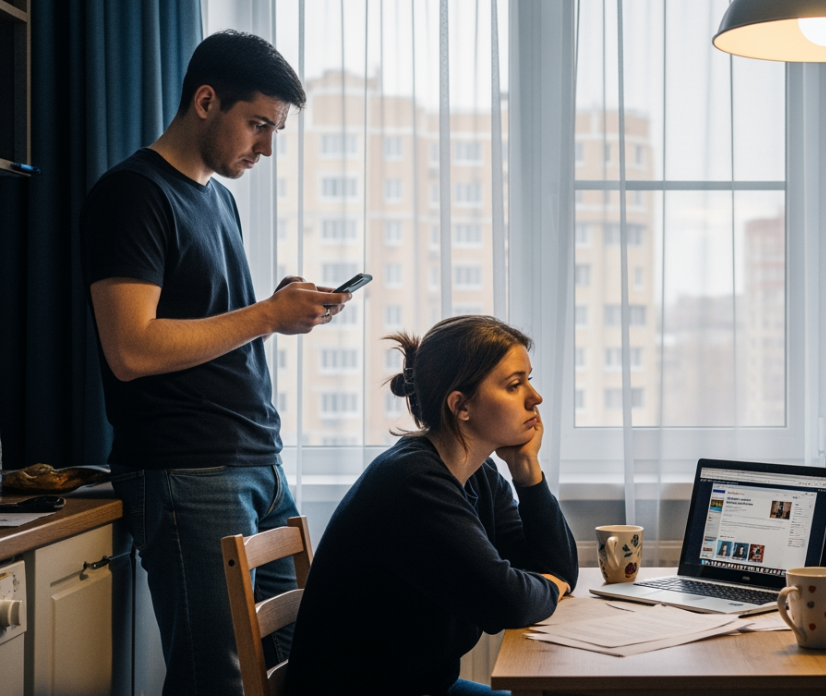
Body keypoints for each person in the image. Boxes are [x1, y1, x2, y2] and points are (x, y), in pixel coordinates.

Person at [81, 31, 346, 696]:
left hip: (258, 461)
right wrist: (268, 315)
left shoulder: (218, 199)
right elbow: (131, 349)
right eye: (258, 125)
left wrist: (277, 308)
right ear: (206, 101)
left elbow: (205, 326)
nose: (266, 148)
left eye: (275, 130)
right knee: (215, 680)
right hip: (188, 470)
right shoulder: (132, 194)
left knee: (303, 663)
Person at [288, 315, 579, 696]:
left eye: (529, 379)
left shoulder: (477, 472)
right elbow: (506, 602)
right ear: (461, 406)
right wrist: (551, 587)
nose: (535, 397)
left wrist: (528, 472)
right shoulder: (414, 483)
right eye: (514, 384)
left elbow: (557, 570)